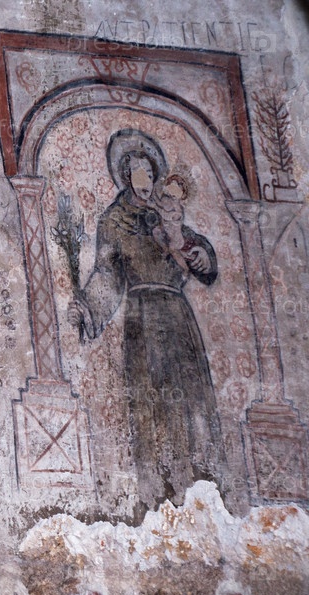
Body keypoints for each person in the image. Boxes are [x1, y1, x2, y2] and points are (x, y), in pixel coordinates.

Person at [67, 129, 225, 517]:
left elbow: (197, 254)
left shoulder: (166, 212)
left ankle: (203, 489)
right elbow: (107, 275)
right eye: (137, 174)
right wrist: (87, 309)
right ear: (125, 177)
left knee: (191, 402)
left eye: (150, 174)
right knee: (151, 403)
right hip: (143, 317)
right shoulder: (114, 221)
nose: (145, 181)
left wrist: (200, 255)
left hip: (178, 316)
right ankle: (159, 496)